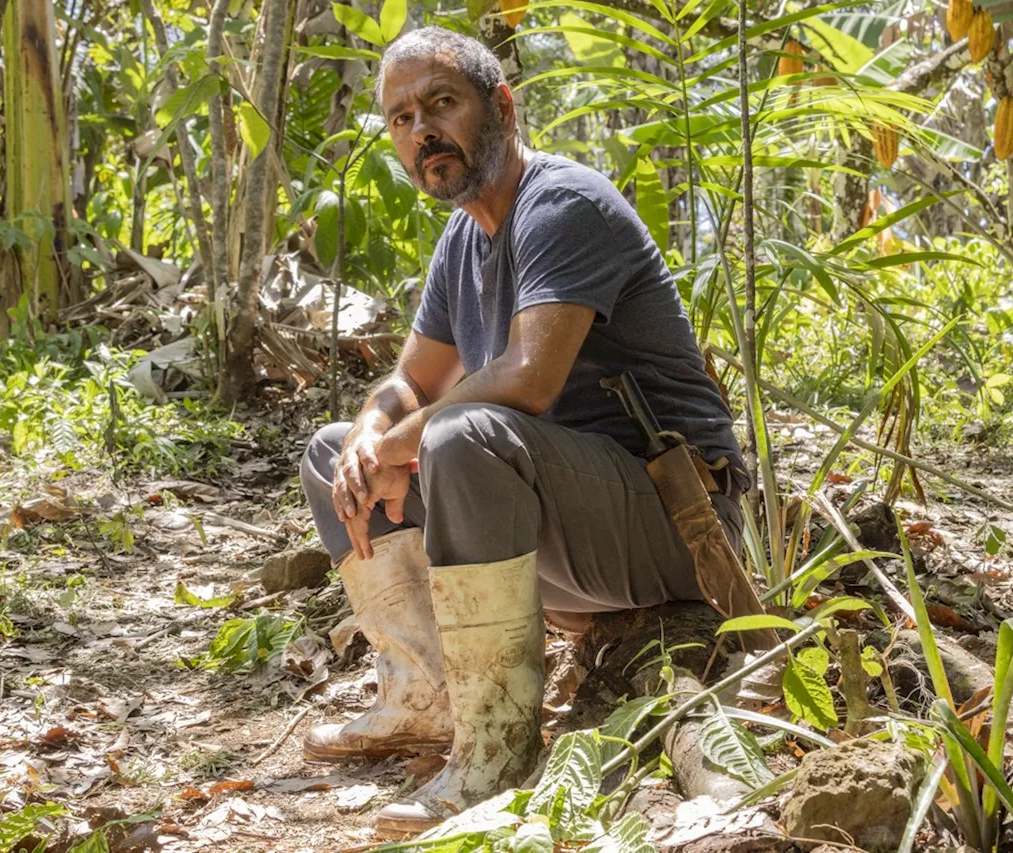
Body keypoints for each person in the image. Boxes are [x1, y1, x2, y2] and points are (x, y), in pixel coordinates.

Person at [297, 26, 748, 838]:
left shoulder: (563, 203)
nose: (421, 130)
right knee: (334, 451)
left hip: (678, 526)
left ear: (499, 105)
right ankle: (425, 698)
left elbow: (528, 379)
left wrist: (407, 445)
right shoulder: (462, 236)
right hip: (563, 530)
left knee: (461, 434)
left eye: (441, 103)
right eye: (401, 118)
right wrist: (373, 435)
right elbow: (409, 381)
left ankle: (497, 753)